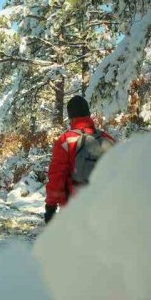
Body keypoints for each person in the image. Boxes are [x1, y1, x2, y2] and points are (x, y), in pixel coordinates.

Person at [44, 95, 115, 223]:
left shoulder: (65, 140)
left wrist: (50, 207)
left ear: (71, 117)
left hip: (74, 208)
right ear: (88, 114)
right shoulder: (108, 139)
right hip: (106, 207)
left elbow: (57, 177)